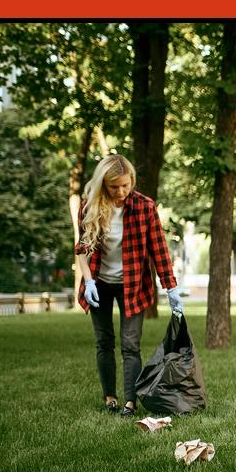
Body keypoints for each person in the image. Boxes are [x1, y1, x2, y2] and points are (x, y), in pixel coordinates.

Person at [74, 154, 179, 418]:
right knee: (104, 341)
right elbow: (81, 249)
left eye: (125, 184)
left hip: (132, 285)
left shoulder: (145, 207)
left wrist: (171, 287)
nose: (121, 191)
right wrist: (88, 281)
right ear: (103, 185)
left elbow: (159, 250)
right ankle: (110, 397)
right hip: (99, 283)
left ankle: (130, 403)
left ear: (132, 180)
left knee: (131, 344)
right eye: (114, 187)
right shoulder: (89, 207)